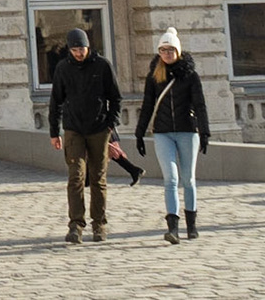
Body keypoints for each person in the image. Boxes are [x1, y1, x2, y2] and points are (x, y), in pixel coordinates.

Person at [134, 28, 210, 243]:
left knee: (188, 179)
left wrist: (204, 132)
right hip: (163, 132)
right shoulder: (154, 77)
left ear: (178, 51)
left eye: (170, 50)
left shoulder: (190, 75)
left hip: (187, 130)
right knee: (171, 178)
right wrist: (139, 133)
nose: (167, 54)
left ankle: (192, 225)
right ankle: (173, 227)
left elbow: (200, 104)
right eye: (163, 50)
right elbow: (148, 105)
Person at [47, 26, 122, 243]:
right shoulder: (63, 68)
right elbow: (56, 101)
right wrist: (54, 131)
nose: (79, 53)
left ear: (89, 47)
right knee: (76, 177)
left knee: (98, 178)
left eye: (82, 49)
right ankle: (76, 225)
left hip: (99, 129)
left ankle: (99, 224)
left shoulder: (102, 65)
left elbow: (115, 98)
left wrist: (111, 123)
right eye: (75, 49)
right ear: (69, 49)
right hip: (73, 129)